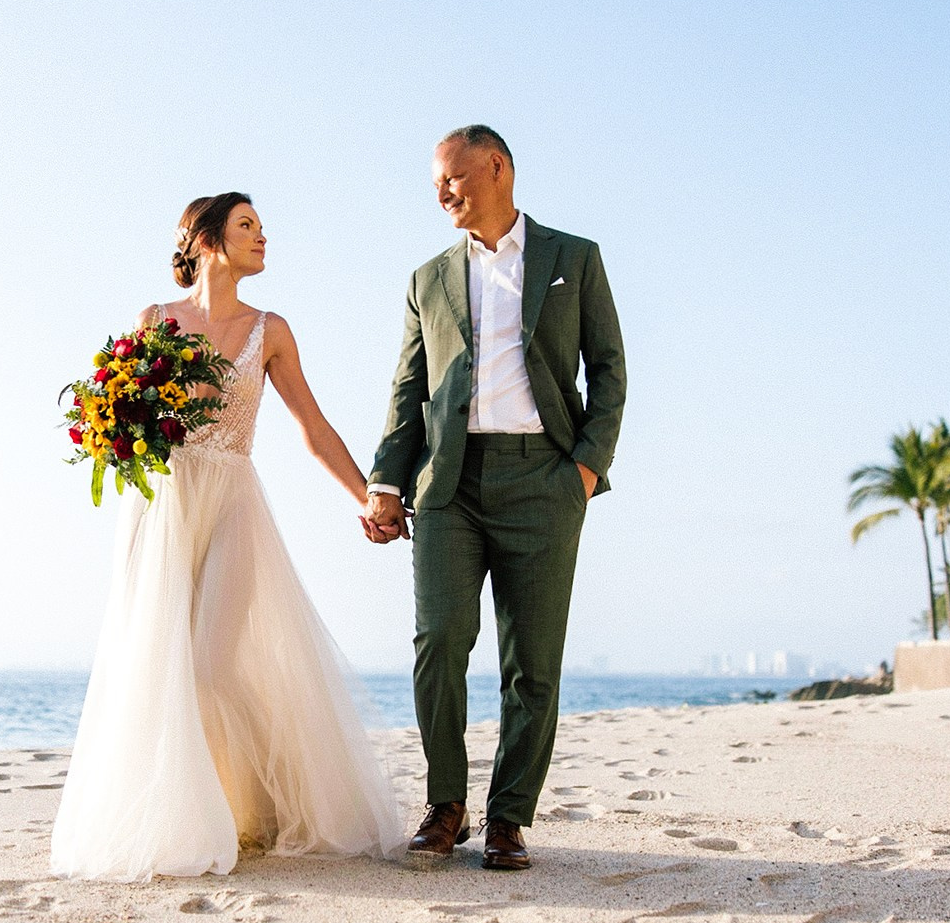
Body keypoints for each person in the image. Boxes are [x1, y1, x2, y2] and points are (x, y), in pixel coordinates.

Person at [51, 193, 402, 881]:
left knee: (212, 663)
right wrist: (114, 432)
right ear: (207, 239)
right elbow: (123, 410)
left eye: (262, 227)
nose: (263, 236)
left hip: (235, 500)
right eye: (248, 226)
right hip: (164, 506)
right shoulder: (155, 320)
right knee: (160, 665)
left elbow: (312, 427)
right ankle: (196, 814)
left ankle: (257, 804)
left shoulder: (270, 330)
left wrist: (371, 495)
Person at [365, 126, 627, 871]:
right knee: (439, 639)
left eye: (452, 177)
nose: (443, 192)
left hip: (546, 480)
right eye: (436, 184)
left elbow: (610, 372)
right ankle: (445, 803)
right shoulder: (428, 279)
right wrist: (387, 483)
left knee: (532, 662)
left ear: (497, 167)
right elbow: (408, 391)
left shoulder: (573, 259)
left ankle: (509, 818)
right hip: (449, 483)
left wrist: (582, 470)